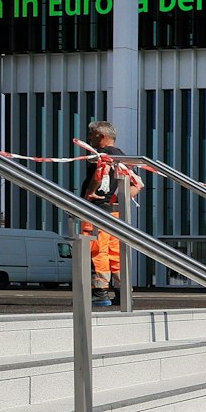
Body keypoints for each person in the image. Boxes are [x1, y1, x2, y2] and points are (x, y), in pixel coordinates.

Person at [78, 120, 143, 307]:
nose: (89, 138)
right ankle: (123, 293)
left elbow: (100, 173)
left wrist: (90, 193)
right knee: (116, 253)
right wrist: (118, 200)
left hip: (97, 211)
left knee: (96, 251)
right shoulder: (123, 157)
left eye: (91, 134)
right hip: (115, 213)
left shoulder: (103, 156)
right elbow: (137, 184)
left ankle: (99, 293)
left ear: (102, 136)